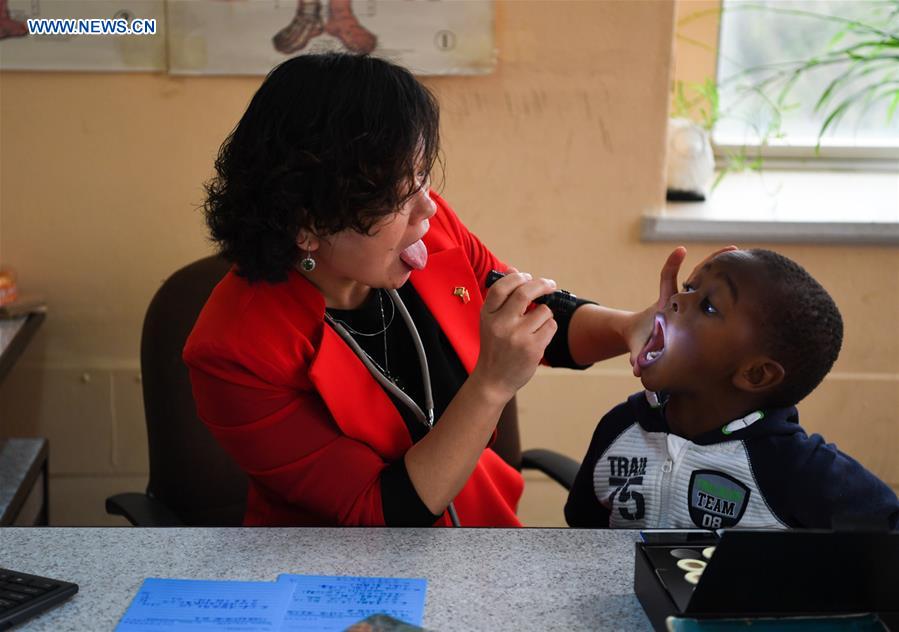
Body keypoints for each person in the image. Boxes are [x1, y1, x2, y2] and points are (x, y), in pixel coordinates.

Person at [183, 52, 690, 527]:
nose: (427, 206)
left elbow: (529, 311)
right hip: (337, 567)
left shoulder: (429, 228)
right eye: (396, 195)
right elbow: (377, 513)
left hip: (482, 539)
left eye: (421, 175)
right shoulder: (234, 351)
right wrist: (491, 385)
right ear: (307, 225)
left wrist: (630, 326)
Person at [565, 248, 899, 530]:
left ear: (755, 374)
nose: (677, 299)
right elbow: (582, 539)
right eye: (689, 287)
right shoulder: (621, 427)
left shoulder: (797, 470)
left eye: (708, 306)